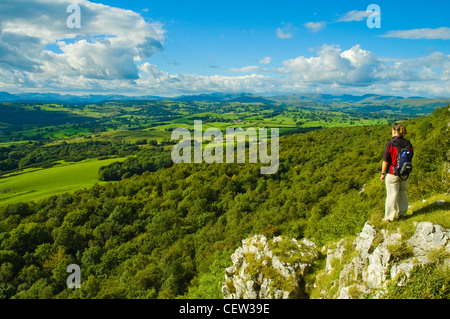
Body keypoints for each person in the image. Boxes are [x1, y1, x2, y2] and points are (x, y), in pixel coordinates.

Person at [380, 123, 413, 222]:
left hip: (392, 173)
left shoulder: (390, 144)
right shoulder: (408, 143)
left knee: (392, 194)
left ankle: (389, 217)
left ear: (394, 131)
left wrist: (383, 173)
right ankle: (402, 214)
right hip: (405, 173)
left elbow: (386, 160)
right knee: (402, 192)